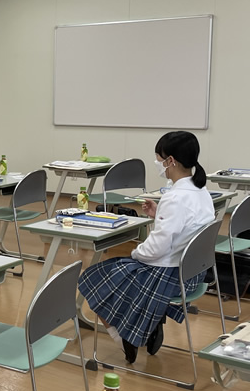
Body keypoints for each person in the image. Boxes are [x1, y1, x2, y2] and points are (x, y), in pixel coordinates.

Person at [78, 131, 214, 364]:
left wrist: (134, 253)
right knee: (120, 272)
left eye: (159, 158)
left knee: (93, 278)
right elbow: (183, 225)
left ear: (170, 161)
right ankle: (148, 320)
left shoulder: (175, 197)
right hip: (192, 274)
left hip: (168, 276)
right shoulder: (201, 192)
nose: (157, 163)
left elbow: (155, 250)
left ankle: (123, 338)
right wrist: (159, 213)